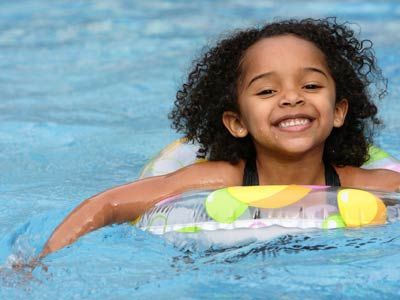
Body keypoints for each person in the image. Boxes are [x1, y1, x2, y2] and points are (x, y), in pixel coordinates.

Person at [40, 18, 400, 257]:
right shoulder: (218, 178)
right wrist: (39, 262)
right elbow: (108, 205)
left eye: (310, 85)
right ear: (237, 122)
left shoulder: (360, 182)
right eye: (266, 92)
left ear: (338, 111)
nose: (292, 97)